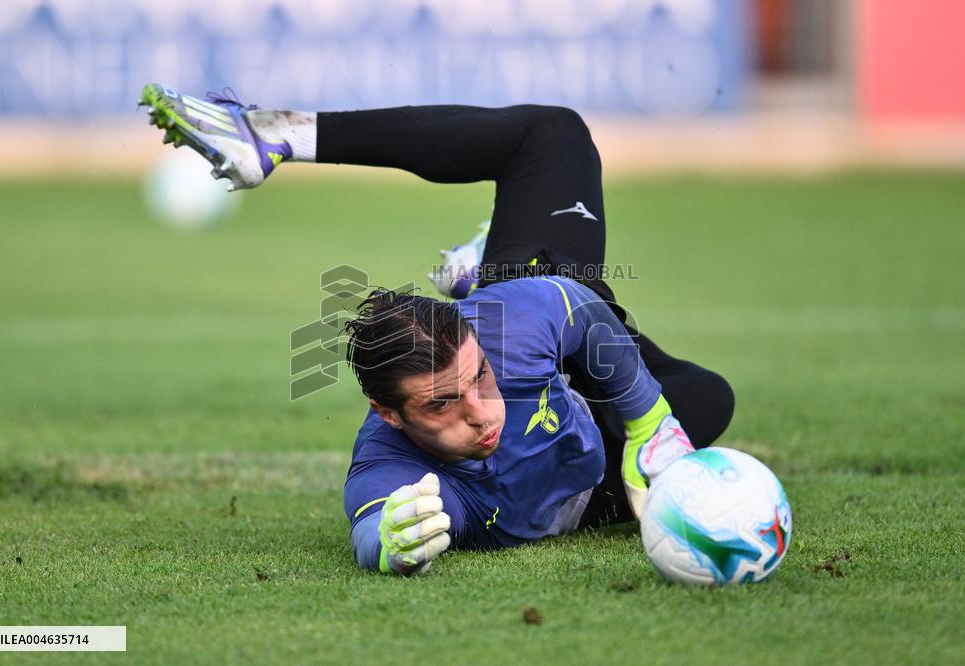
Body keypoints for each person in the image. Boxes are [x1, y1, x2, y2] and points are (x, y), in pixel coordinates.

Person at [139, 84, 735, 575]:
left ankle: (285, 134)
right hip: (595, 477)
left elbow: (577, 308)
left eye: (479, 379)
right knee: (708, 398)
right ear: (390, 413)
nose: (480, 414)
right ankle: (490, 275)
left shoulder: (514, 327)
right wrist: (390, 546)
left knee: (555, 137)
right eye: (443, 405)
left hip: (553, 354)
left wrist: (648, 421)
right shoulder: (391, 464)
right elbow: (373, 524)